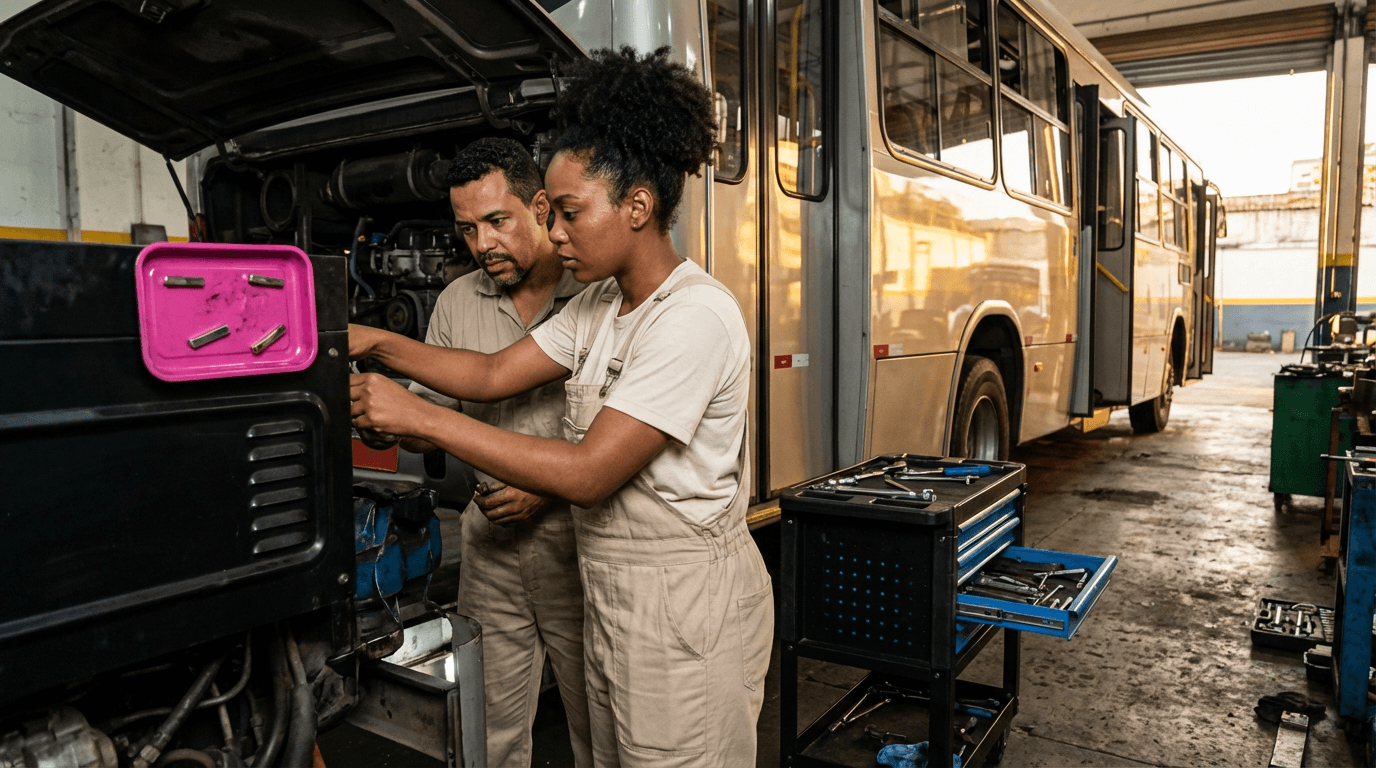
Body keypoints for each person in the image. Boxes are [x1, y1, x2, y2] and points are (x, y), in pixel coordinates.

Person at [349, 46, 773, 766]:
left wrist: (418, 416)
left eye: (570, 213)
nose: (558, 233)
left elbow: (586, 473)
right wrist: (372, 343)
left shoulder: (692, 316)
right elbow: (488, 373)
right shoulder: (604, 305)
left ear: (638, 205)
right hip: (612, 588)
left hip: (682, 600)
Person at [371, 137, 592, 767]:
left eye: (498, 221)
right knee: (489, 735)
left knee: (600, 732)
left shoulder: (595, 293)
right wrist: (392, 423)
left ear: (541, 207)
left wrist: (546, 487)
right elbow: (431, 419)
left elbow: (623, 445)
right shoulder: (458, 302)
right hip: (490, 550)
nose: (483, 244)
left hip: (578, 549)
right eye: (468, 229)